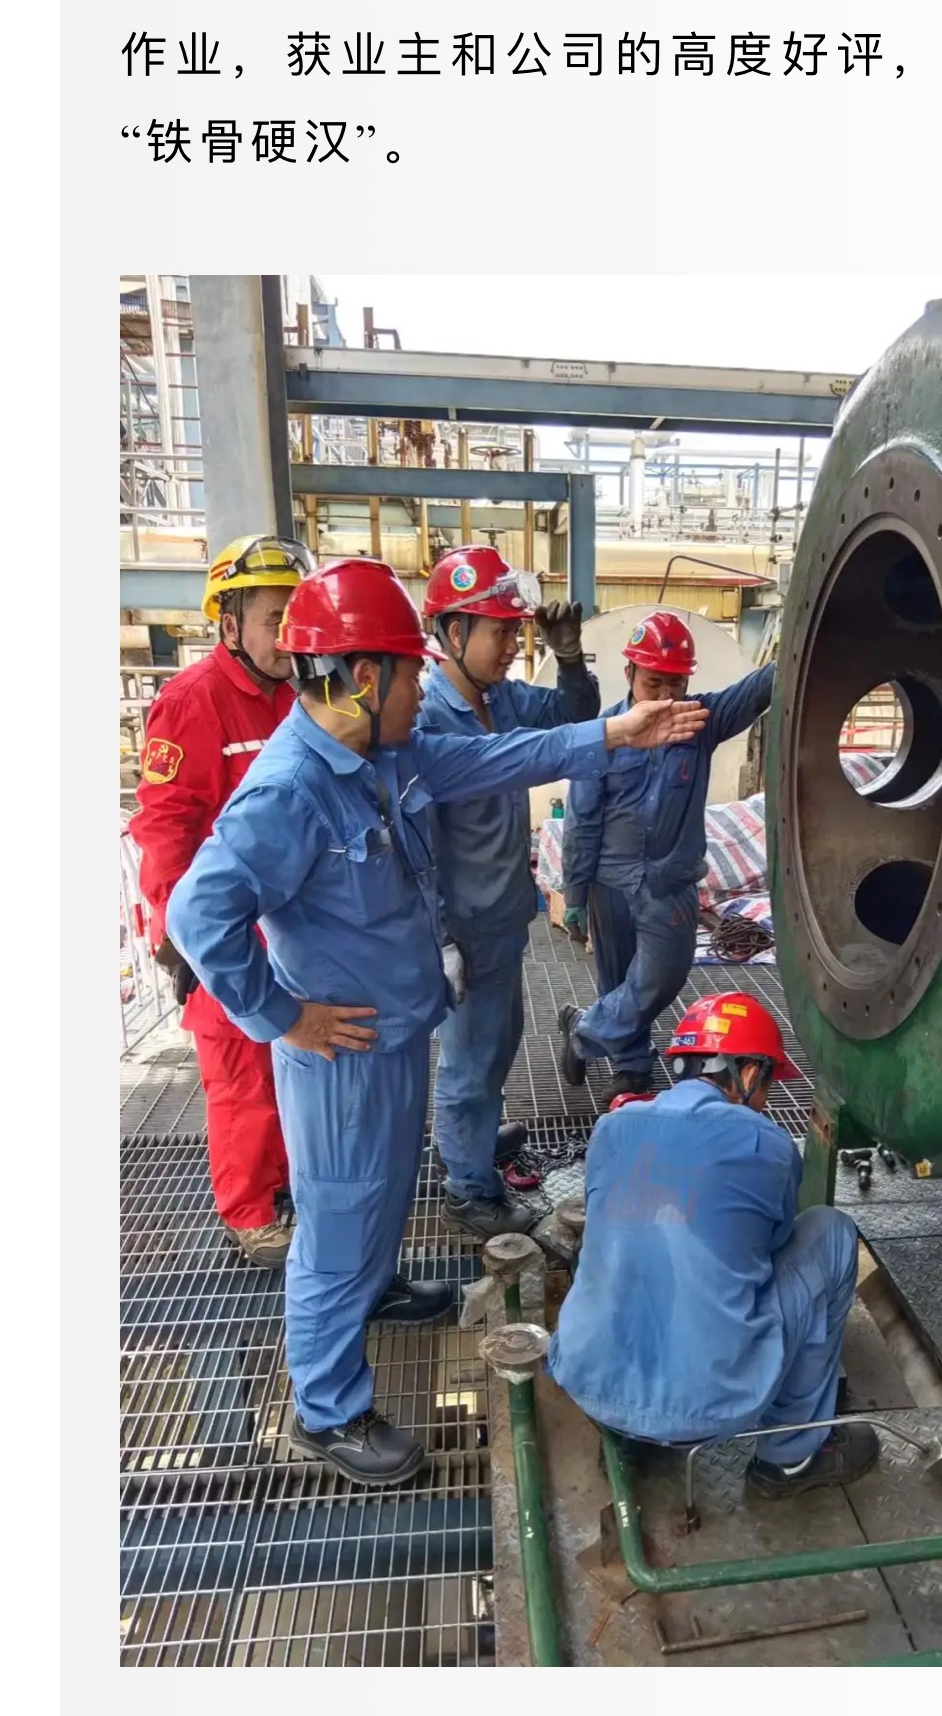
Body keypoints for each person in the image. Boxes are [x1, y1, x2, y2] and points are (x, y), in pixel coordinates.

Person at [167, 560, 706, 1486]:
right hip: (340, 1057)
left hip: (395, 1034)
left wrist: (619, 729)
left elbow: (510, 757)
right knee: (337, 1220)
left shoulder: (388, 756)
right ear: (362, 677)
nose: (423, 690)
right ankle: (327, 1410)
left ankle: (376, 1289)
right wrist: (282, 1015)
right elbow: (197, 913)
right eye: (411, 673)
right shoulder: (291, 790)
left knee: (379, 1192)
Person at [546, 989, 875, 1486]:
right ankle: (791, 1455)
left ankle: (630, 1433)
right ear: (749, 1073)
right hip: (713, 1406)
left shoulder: (612, 1127)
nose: (766, 1100)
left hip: (590, 1384)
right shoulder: (768, 1144)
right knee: (831, 1232)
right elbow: (772, 1245)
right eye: (768, 1084)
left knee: (623, 1238)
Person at [131, 531, 305, 1258]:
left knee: (284, 1070)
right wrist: (181, 938)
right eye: (274, 619)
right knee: (241, 1082)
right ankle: (250, 1215)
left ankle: (284, 1185)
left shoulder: (296, 694)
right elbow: (165, 827)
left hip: (287, 931)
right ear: (229, 625)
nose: (288, 635)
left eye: (296, 616)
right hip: (225, 935)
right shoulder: (192, 703)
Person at [415, 546, 600, 1222]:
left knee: (497, 1043)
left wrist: (570, 658)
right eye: (500, 631)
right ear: (454, 632)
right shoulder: (427, 718)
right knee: (470, 1060)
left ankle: (472, 1138)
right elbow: (417, 847)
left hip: (502, 916)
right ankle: (469, 1191)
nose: (513, 646)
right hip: (464, 927)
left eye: (517, 632)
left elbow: (576, 718)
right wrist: (439, 938)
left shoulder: (503, 700)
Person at [559, 607, 775, 1095]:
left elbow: (759, 689)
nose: (663, 696)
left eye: (674, 684)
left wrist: (809, 633)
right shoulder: (604, 735)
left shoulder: (700, 722)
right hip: (611, 882)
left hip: (670, 882)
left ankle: (583, 1031)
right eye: (653, 682)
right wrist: (574, 894)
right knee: (618, 978)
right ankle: (632, 1066)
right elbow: (581, 820)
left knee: (662, 975)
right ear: (629, 673)